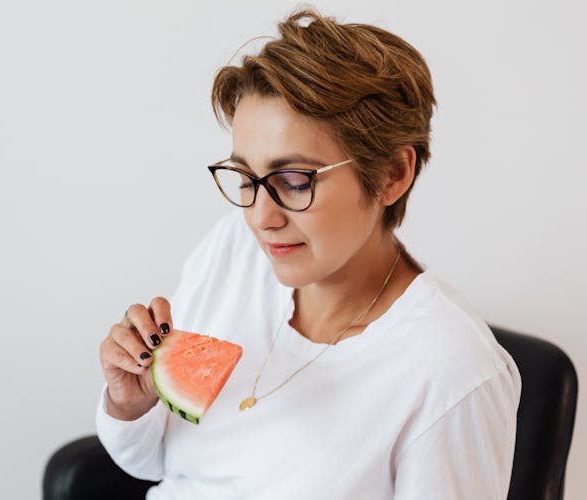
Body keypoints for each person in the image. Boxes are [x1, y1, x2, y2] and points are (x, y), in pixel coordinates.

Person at [96, 7, 521, 500]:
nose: (260, 218)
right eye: (245, 179)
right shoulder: (234, 250)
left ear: (392, 175)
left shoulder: (452, 369)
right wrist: (131, 405)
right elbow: (157, 464)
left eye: (294, 182)